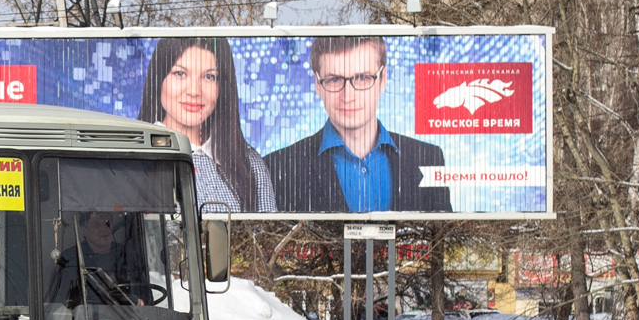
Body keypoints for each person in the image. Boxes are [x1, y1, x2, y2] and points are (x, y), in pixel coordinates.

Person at [267, 35, 452, 213]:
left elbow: (443, 240)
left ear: (383, 79)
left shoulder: (428, 158)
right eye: (334, 80)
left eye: (362, 78)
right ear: (317, 84)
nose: (348, 97)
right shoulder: (277, 168)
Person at [139, 37, 276, 212]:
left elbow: (269, 236)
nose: (195, 91)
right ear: (159, 79)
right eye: (180, 74)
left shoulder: (249, 164)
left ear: (222, 87)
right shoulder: (131, 160)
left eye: (210, 77)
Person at [48, 211, 146, 310]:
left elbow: (145, 295)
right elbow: (58, 304)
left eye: (107, 223)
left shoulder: (126, 255)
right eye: (97, 225)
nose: (104, 229)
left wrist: (137, 301)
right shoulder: (71, 259)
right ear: (84, 230)